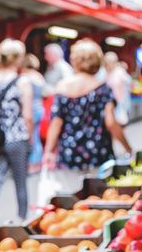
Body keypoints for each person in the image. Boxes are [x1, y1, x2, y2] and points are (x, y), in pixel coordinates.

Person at [42, 39, 132, 200]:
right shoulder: (102, 88)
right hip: (98, 153)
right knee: (97, 199)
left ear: (74, 60)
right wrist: (127, 147)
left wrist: (48, 151)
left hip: (69, 154)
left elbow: (56, 123)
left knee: (72, 200)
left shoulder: (62, 87)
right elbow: (111, 123)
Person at [0, 39, 34, 232]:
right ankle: (21, 220)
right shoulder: (22, 82)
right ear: (18, 58)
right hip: (16, 138)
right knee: (20, 180)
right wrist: (30, 138)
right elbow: (27, 115)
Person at [22, 53, 48, 173]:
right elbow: (45, 93)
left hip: (30, 109)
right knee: (36, 137)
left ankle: (31, 165)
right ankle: (37, 164)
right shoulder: (39, 76)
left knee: (31, 138)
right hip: (40, 109)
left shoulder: (25, 77)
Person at [104, 51, 131, 126]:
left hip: (119, 104)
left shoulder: (120, 72)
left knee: (117, 125)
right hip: (106, 103)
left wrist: (124, 103)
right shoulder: (103, 72)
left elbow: (128, 84)